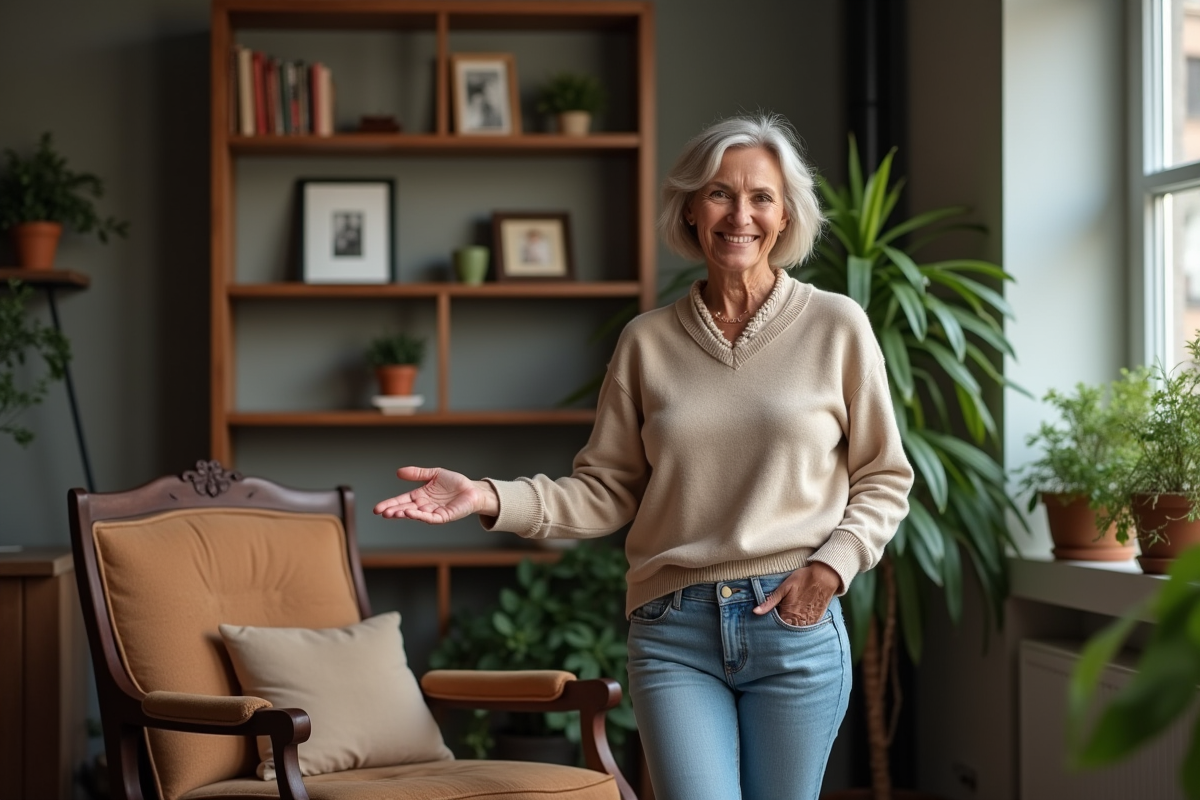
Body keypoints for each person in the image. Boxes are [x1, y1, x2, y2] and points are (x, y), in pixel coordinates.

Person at [373, 112, 914, 800]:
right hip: (673, 631)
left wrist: (831, 570)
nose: (739, 215)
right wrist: (487, 495)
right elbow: (606, 490)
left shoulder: (837, 326)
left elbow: (884, 476)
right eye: (719, 193)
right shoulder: (646, 341)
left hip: (793, 620)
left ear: (785, 216)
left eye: (761, 197)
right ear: (690, 208)